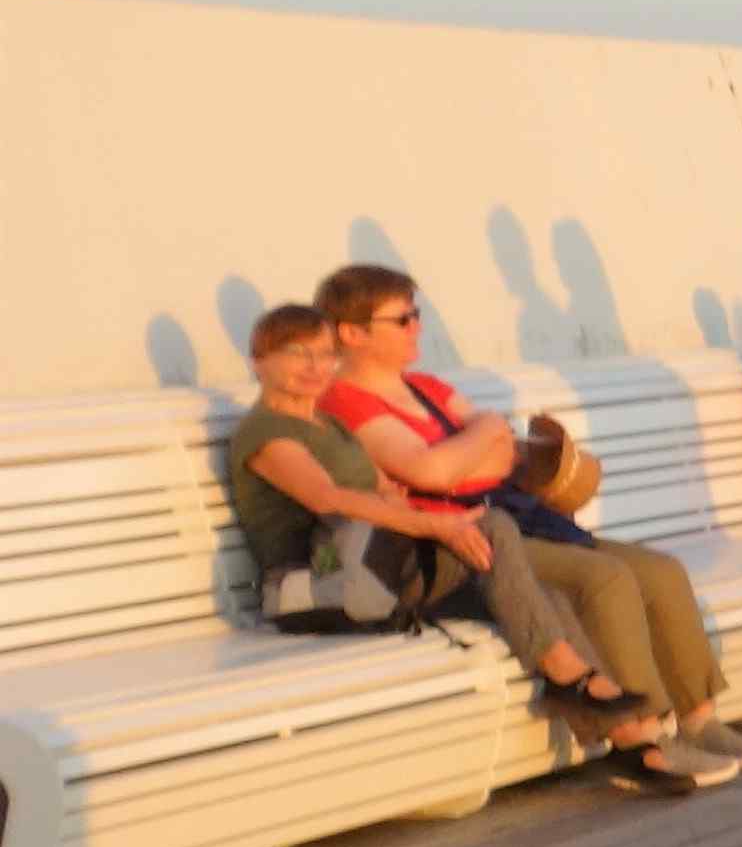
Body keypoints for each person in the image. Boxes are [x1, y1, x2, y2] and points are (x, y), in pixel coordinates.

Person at [312, 265, 742, 788]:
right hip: (465, 540)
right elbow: (431, 472)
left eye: (416, 314)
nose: (418, 327)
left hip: (517, 519)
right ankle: (646, 733)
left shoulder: (427, 388)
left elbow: (498, 456)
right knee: (604, 578)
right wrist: (482, 436)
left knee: (660, 571)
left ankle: (699, 720)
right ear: (352, 333)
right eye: (402, 319)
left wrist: (468, 452)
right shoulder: (344, 401)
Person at [221, 302, 683, 758]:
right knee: (492, 525)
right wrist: (435, 524)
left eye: (325, 354)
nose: (315, 366)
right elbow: (327, 498)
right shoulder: (267, 432)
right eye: (297, 353)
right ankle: (571, 677)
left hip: (378, 569)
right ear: (259, 362)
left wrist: (414, 514)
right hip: (324, 585)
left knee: (546, 597)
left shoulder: (327, 425)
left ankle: (629, 741)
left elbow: (385, 490)